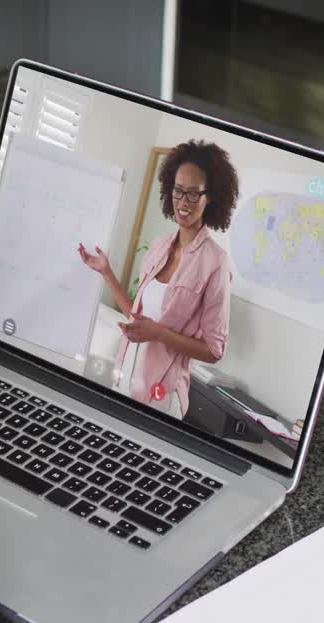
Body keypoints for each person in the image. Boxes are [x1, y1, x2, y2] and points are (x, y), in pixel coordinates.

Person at [78, 140, 238, 419]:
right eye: (178, 191)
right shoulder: (159, 246)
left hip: (162, 398)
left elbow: (214, 350)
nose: (183, 203)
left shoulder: (216, 263)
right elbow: (139, 318)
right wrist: (107, 272)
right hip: (124, 381)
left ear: (210, 197)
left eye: (193, 194)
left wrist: (159, 334)